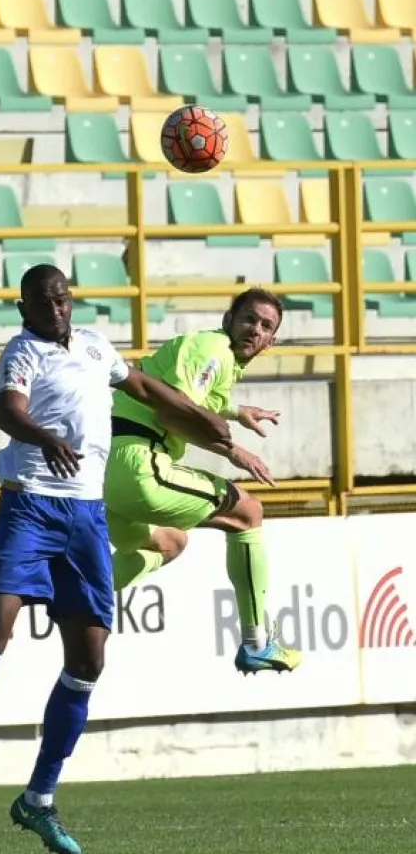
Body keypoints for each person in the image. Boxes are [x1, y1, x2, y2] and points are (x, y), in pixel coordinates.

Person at [0, 263, 234, 854]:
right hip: (31, 506)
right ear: (24, 309)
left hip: (86, 516)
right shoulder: (22, 352)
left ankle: (38, 798)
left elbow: (145, 388)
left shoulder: (93, 346)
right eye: (44, 301)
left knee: (89, 660)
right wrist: (45, 438)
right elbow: (8, 410)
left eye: (62, 297)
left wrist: (208, 421)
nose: (56, 308)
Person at [104, 287, 302, 676]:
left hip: (106, 475)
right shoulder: (214, 348)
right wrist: (233, 451)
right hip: (140, 466)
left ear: (271, 341)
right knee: (248, 512)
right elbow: (172, 413)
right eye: (249, 319)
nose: (255, 329)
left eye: (266, 326)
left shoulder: (216, 357)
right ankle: (256, 643)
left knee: (170, 543)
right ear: (229, 320)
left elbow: (193, 397)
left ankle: (70, 591)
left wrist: (236, 410)